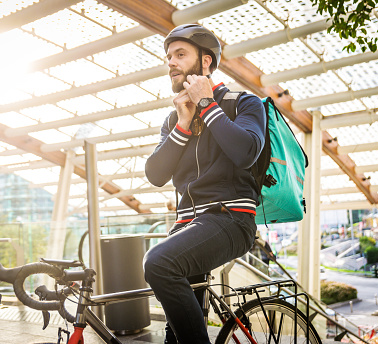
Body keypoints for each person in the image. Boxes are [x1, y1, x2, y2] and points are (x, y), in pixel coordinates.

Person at [143, 24, 266, 344]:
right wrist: (184, 123)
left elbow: (246, 152)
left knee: (158, 263)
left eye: (180, 54)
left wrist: (208, 105)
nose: (170, 61)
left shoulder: (244, 103)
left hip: (231, 219)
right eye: (168, 56)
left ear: (207, 62)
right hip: (188, 227)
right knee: (177, 333)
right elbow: (155, 174)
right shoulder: (173, 119)